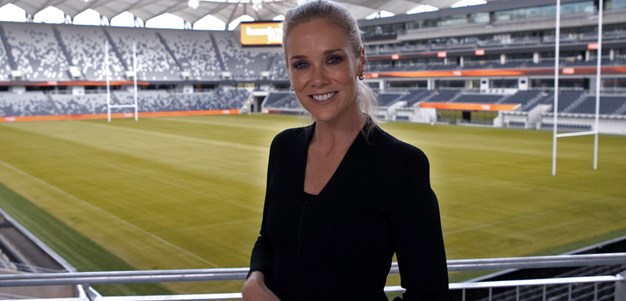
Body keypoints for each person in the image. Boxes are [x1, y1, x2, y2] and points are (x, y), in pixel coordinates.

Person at [242, 1, 449, 300]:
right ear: (290, 71)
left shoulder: (403, 165)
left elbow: (429, 294)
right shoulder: (283, 148)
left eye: (333, 59)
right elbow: (268, 241)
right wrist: (255, 279)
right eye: (301, 64)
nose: (318, 79)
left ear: (360, 60)